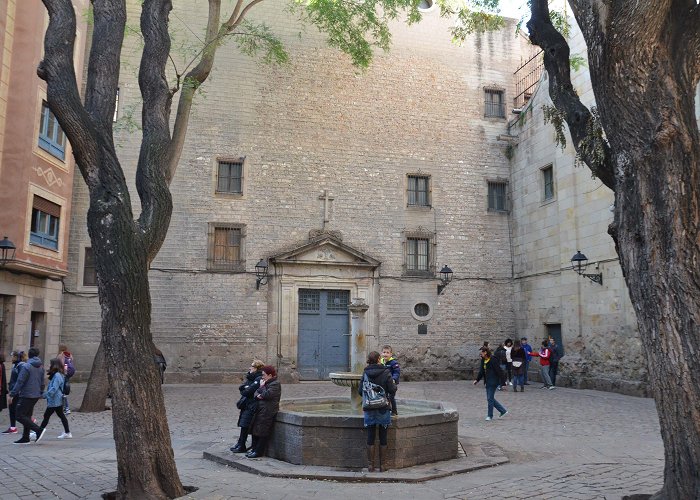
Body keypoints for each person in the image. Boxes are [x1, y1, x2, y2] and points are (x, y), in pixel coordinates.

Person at [358, 351, 396, 472]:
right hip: (383, 408)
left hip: (369, 408)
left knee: (370, 435)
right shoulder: (386, 372)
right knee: (383, 436)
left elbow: (360, 391)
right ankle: (383, 465)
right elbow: (392, 389)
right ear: (379, 359)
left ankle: (371, 465)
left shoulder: (365, 373)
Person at [8, 347, 45, 444]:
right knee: (27, 416)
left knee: (19, 415)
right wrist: (41, 392)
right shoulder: (41, 366)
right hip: (36, 394)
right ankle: (25, 437)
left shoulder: (26, 366)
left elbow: (20, 381)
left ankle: (38, 430)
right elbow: (42, 382)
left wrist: (12, 394)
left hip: (26, 394)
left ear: (29, 354)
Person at [245, 365, 281, 458]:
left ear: (270, 375)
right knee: (256, 430)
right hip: (261, 409)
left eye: (264, 375)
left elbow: (266, 395)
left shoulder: (275, 384)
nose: (262, 377)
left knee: (262, 431)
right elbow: (256, 394)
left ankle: (258, 451)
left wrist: (261, 387)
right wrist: (260, 393)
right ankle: (254, 449)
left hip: (268, 411)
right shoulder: (267, 383)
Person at [230, 359, 264, 453]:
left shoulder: (258, 378)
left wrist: (246, 389)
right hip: (246, 404)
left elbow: (248, 391)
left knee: (245, 425)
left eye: (252, 366)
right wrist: (245, 388)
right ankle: (240, 443)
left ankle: (242, 445)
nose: (250, 368)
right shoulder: (250, 377)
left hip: (251, 405)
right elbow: (242, 388)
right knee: (243, 425)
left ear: (257, 368)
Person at [39, 358, 71, 439]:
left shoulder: (57, 375)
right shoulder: (57, 374)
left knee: (47, 415)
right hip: (56, 399)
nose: (49, 365)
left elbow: (54, 388)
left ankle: (38, 432)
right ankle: (67, 432)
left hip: (55, 399)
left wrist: (45, 395)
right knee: (60, 415)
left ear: (54, 365)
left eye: (50, 364)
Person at [474, 346, 508, 421]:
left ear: (485, 352)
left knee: (490, 398)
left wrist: (503, 383)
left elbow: (499, 371)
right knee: (490, 399)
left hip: (493, 382)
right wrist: (477, 380)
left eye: (482, 352)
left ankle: (490, 415)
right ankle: (503, 411)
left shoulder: (493, 359)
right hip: (487, 382)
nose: (481, 354)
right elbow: (481, 371)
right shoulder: (483, 360)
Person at [3, 351, 26, 434]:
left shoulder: (21, 366)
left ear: (17, 357)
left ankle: (30, 421)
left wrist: (14, 392)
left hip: (17, 391)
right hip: (13, 390)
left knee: (16, 409)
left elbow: (20, 380)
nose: (11, 358)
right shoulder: (15, 365)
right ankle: (13, 427)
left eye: (13, 356)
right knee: (12, 408)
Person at [380, 345, 400, 416]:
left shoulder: (393, 363)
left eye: (387, 352)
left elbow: (396, 372)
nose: (385, 354)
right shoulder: (381, 362)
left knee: (391, 397)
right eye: (384, 352)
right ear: (381, 353)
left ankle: (394, 411)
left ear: (391, 354)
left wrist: (393, 379)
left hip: (392, 383)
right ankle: (386, 410)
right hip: (384, 383)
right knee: (384, 396)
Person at [57, 345, 75, 414]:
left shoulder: (61, 355)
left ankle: (66, 408)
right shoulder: (69, 355)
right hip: (69, 373)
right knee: (63, 390)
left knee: (62, 391)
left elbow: (60, 365)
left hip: (63, 374)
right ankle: (63, 407)